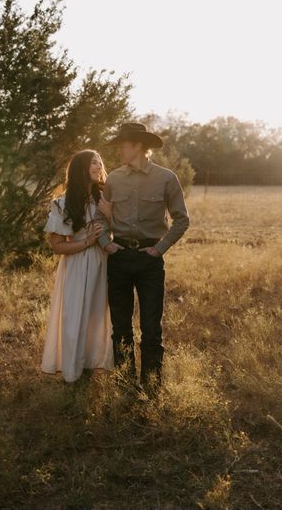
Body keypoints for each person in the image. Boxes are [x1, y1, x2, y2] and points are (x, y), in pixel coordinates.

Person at [95, 122, 190, 396]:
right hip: (120, 258)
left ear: (138, 146)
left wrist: (160, 248)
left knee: (151, 329)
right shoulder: (114, 178)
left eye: (123, 145)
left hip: (150, 261)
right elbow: (101, 216)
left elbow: (182, 220)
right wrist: (105, 243)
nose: (120, 151)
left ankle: (152, 390)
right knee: (120, 328)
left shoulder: (166, 178)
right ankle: (125, 389)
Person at [41, 150, 114, 382]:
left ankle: (92, 366)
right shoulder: (62, 204)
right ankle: (72, 373)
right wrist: (87, 242)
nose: (99, 166)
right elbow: (57, 246)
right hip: (77, 263)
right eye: (94, 162)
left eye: (101, 162)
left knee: (97, 316)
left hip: (103, 263)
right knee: (75, 317)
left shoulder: (105, 200)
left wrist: (111, 216)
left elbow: (121, 230)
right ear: (81, 168)